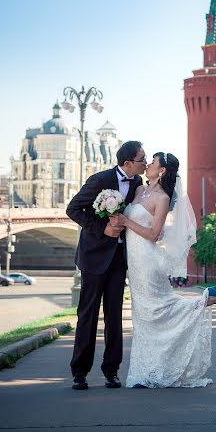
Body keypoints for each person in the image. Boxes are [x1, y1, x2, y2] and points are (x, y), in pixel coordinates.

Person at [109, 152, 216, 389]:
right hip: (134, 263)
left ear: (162, 170)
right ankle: (145, 372)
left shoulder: (163, 197)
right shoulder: (138, 191)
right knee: (143, 315)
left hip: (148, 261)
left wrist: (125, 222)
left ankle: (209, 298)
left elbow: (154, 234)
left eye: (153, 162)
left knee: (158, 310)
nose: (147, 165)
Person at [67, 141, 146, 390]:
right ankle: (79, 372)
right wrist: (104, 228)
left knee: (114, 315)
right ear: (127, 163)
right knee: (88, 314)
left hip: (119, 259)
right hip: (93, 257)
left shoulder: (137, 184)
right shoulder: (100, 180)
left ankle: (111, 371)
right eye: (142, 159)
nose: (145, 162)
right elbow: (73, 209)